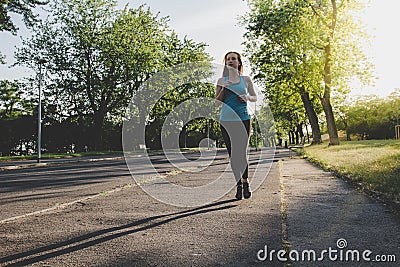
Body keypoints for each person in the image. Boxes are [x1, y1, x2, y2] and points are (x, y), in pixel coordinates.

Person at [215, 51, 257, 200]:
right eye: (228, 59)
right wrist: (224, 89)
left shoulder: (245, 80)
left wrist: (247, 97)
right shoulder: (221, 80)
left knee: (241, 153)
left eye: (234, 59)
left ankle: (246, 183)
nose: (231, 61)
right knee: (233, 155)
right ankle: (238, 185)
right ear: (226, 63)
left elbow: (254, 97)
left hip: (243, 119)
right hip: (226, 121)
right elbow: (216, 103)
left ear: (239, 62)